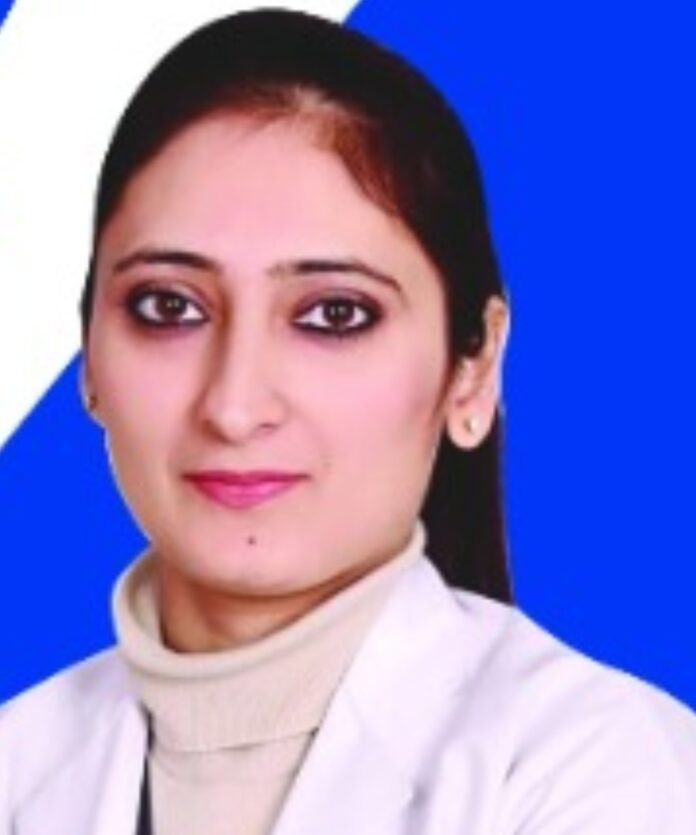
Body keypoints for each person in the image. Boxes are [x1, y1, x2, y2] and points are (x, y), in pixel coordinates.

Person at [1, 9, 695, 835]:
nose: (234, 406)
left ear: (473, 367)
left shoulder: (603, 769)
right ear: (88, 356)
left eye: (334, 314)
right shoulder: (18, 760)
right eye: (169, 306)